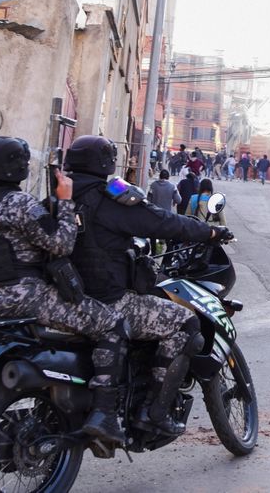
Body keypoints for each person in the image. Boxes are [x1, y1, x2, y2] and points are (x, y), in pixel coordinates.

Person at [64, 135, 232, 435]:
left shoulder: (57, 196)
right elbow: (164, 222)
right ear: (105, 162)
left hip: (65, 302)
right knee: (186, 324)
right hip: (108, 300)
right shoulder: (108, 198)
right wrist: (209, 233)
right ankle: (154, 410)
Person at [0, 136, 130, 444]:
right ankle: (105, 415)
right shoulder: (18, 204)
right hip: (26, 297)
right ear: (14, 169)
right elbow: (61, 244)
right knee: (112, 323)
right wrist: (66, 201)